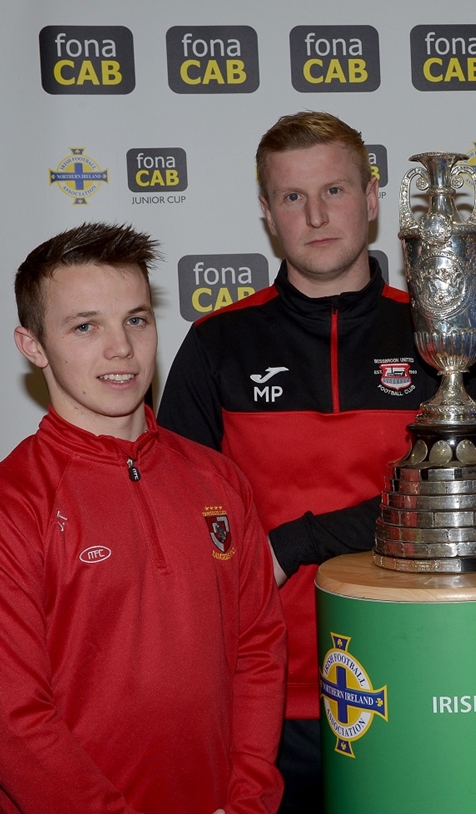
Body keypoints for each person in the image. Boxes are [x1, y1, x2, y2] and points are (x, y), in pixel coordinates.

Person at [158, 112, 437, 811]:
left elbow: (456, 504)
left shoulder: (436, 336)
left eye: (335, 191)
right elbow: (176, 525)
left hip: (417, 675)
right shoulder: (217, 342)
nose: (315, 214)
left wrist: (304, 537)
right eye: (291, 197)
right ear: (266, 211)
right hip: (259, 696)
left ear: (372, 200)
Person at [0, 222, 286, 813]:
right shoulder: (16, 502)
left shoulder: (219, 479)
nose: (122, 349)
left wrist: (249, 799)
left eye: (136, 319)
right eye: (86, 326)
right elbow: (14, 719)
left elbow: (257, 649)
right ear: (32, 345)